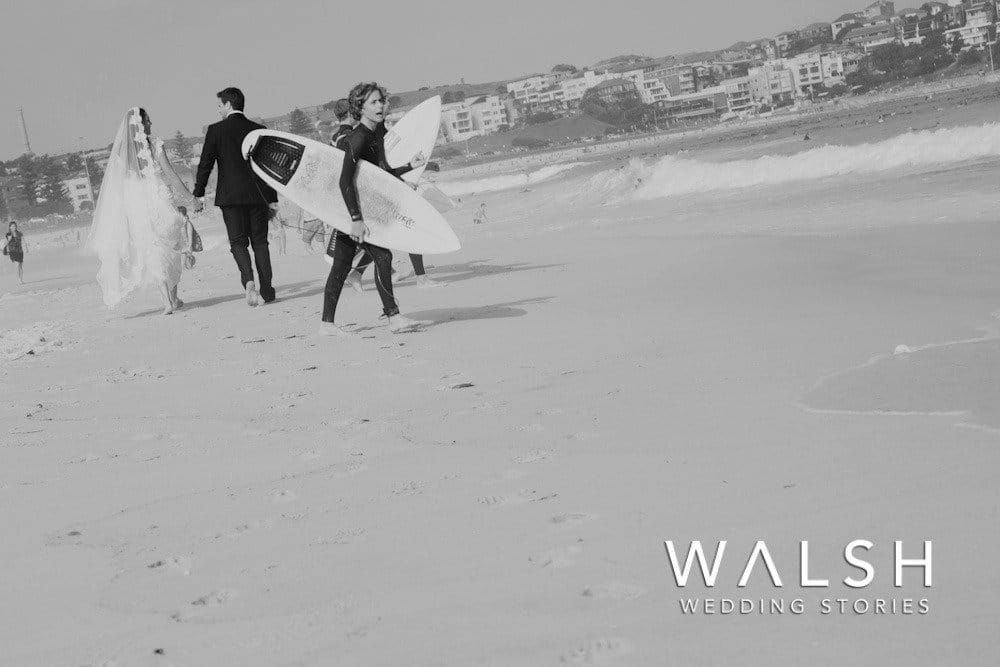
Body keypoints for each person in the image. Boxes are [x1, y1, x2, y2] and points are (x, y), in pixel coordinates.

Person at [319, 82, 426, 337]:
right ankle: (393, 317)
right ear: (360, 108)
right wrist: (355, 219)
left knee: (342, 265)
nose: (380, 106)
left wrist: (408, 167)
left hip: (362, 209)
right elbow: (344, 180)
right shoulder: (358, 138)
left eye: (381, 101)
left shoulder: (378, 132)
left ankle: (326, 325)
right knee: (383, 257)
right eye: (373, 103)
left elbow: (381, 174)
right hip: (355, 212)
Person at [88, 107, 193, 313]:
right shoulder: (155, 144)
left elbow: (119, 188)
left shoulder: (122, 154)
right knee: (172, 246)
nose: (151, 124)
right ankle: (174, 296)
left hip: (139, 207)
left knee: (153, 250)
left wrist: (123, 215)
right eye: (148, 121)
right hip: (162, 201)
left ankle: (167, 302)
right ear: (140, 125)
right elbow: (170, 174)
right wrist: (190, 197)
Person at [193, 87, 278, 307]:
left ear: (228, 104)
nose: (218, 110)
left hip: (229, 196)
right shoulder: (258, 129)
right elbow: (268, 166)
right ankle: (267, 289)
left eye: (219, 105)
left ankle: (248, 281)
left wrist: (199, 194)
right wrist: (272, 197)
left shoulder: (215, 130)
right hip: (258, 195)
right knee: (260, 242)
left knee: (238, 243)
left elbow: (206, 165)